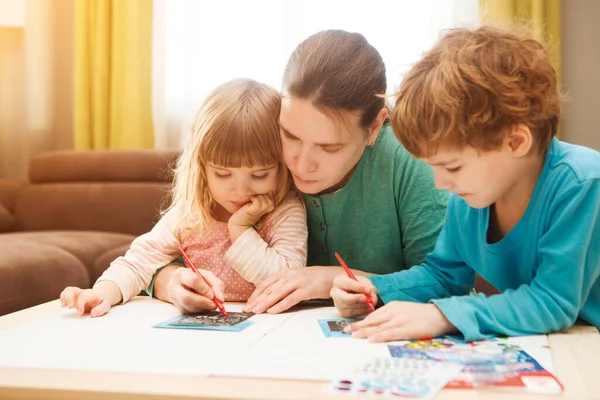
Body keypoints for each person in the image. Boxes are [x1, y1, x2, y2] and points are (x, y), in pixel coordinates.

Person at [331, 26, 600, 342]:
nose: (440, 182)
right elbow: (444, 275)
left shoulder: (582, 182)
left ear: (515, 142)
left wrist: (443, 315)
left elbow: (552, 302)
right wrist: (376, 290)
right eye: (433, 167)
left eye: (452, 166)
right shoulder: (469, 195)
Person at [150, 30, 448, 315]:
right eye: (290, 135)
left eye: (329, 147)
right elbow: (172, 252)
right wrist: (171, 283)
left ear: (373, 128)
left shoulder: (410, 163)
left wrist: (323, 279)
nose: (301, 165)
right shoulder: (261, 157)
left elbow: (445, 281)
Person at [60, 79, 308, 317]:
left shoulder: (285, 211)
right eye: (222, 174)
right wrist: (103, 292)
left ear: (281, 167)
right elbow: (138, 262)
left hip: (269, 330)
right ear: (202, 168)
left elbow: (286, 281)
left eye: (259, 175)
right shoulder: (192, 212)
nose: (240, 190)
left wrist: (241, 229)